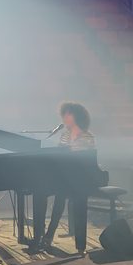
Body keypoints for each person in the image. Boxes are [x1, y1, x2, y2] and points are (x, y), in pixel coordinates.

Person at [32, 102, 95, 251]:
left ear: (76, 116)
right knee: (39, 193)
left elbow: (81, 161)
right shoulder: (65, 134)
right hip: (63, 177)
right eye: (64, 115)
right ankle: (38, 234)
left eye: (67, 114)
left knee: (60, 195)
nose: (64, 118)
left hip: (79, 179)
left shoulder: (87, 137)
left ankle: (49, 235)